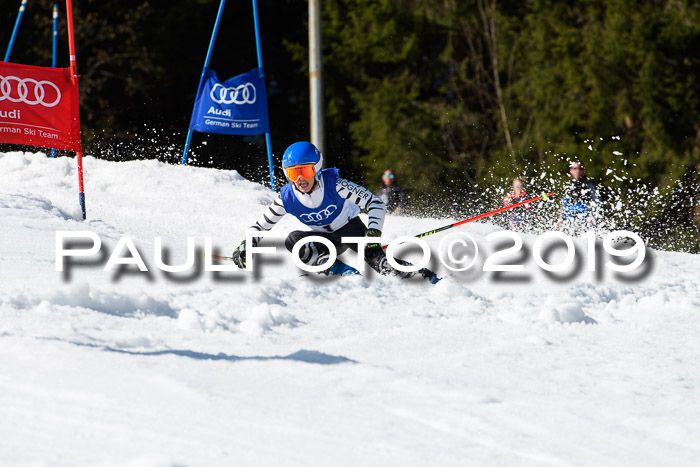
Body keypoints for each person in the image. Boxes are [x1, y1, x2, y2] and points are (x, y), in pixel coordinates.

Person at [230, 142, 439, 283]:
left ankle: (426, 277)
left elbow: (375, 203)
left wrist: (373, 234)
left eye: (305, 170)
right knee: (294, 240)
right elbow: (260, 226)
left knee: (379, 262)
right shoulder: (286, 197)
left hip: (350, 229)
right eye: (294, 173)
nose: (300, 179)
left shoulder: (335, 184)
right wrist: (248, 244)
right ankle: (340, 271)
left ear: (317, 168)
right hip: (324, 239)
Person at [557, 160, 601, 235]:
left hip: (585, 217)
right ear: (571, 170)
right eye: (575, 168)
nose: (577, 171)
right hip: (570, 218)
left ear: (583, 170)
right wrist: (561, 219)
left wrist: (592, 216)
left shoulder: (589, 184)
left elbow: (597, 201)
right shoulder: (568, 185)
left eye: (580, 168)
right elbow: (564, 203)